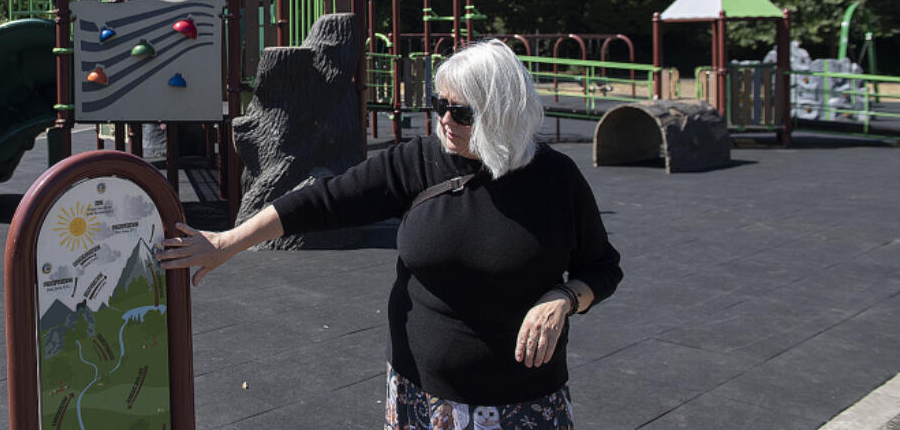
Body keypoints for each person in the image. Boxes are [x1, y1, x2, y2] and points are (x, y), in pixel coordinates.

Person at [157, 39, 622, 429]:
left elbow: (602, 268)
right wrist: (227, 242)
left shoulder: (555, 180)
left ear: (501, 112)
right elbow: (324, 200)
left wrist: (563, 297)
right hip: (423, 396)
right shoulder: (418, 162)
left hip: (525, 402)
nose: (443, 120)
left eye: (460, 113)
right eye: (438, 105)